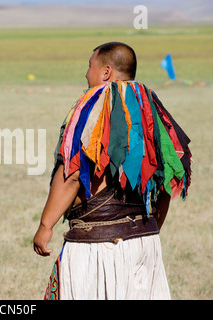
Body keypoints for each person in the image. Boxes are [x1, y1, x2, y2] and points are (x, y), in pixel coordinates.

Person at [33, 42, 192, 300]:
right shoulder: (151, 108)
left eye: (90, 66)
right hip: (145, 242)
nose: (86, 74)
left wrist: (45, 225)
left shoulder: (91, 107)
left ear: (106, 72)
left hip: (96, 246)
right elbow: (170, 177)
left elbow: (73, 171)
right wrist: (150, 229)